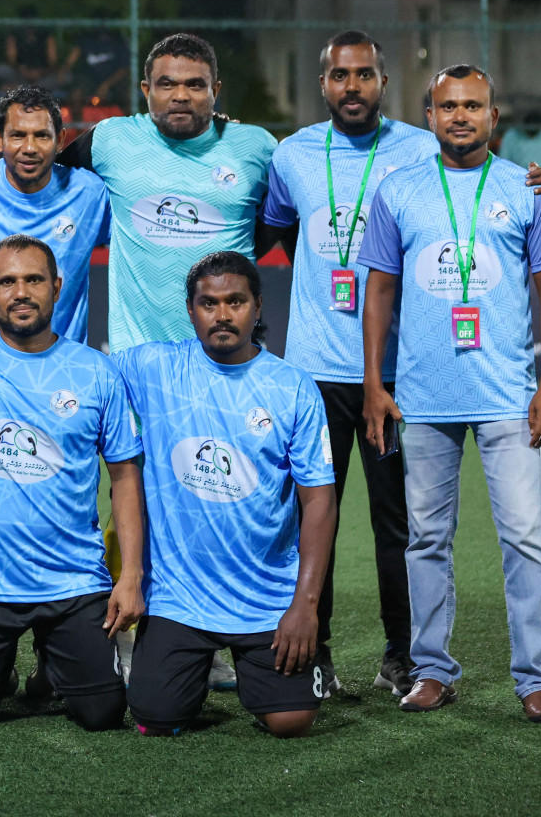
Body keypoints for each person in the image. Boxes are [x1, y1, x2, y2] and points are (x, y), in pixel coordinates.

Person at [260, 31, 541, 696]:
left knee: (401, 526)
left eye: (365, 74)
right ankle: (317, 653)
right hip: (313, 368)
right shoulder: (293, 154)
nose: (352, 86)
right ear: (323, 84)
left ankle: (406, 657)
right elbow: (279, 228)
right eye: (340, 75)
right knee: (312, 517)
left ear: (386, 83)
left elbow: (480, 189)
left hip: (400, 376)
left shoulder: (422, 148)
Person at [359, 64, 541, 723]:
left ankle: (534, 678)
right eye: (447, 106)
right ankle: (431, 670)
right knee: (426, 540)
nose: (460, 116)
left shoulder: (529, 188)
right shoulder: (398, 191)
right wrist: (373, 383)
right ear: (429, 116)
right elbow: (381, 290)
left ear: (492, 117)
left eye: (472, 105)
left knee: (526, 538)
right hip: (423, 398)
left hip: (508, 395)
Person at [0, 234, 143, 731]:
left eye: (33, 279)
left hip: (71, 582)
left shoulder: (96, 372)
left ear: (57, 287)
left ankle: (51, 664)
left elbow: (125, 476)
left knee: (103, 713)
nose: (21, 292)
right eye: (7, 282)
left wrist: (129, 577)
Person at [117, 252, 337, 738]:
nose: (222, 314)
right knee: (155, 716)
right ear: (191, 310)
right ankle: (185, 669)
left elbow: (319, 500)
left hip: (267, 598)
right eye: (208, 303)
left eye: (235, 301)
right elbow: (79, 373)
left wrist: (306, 605)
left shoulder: (293, 386)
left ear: (257, 307)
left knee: (292, 722)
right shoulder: (152, 367)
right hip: (180, 598)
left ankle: (261, 674)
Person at [55, 33, 279, 354]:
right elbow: (43, 174)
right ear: (147, 90)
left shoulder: (256, 147)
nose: (181, 95)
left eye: (195, 85)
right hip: (139, 361)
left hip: (229, 359)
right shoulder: (112, 139)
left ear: (215, 91)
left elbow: (284, 218)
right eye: (167, 84)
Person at [0, 85, 110, 352]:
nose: (29, 148)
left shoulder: (90, 193)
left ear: (61, 140)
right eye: (17, 135)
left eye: (41, 136)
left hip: (64, 374)